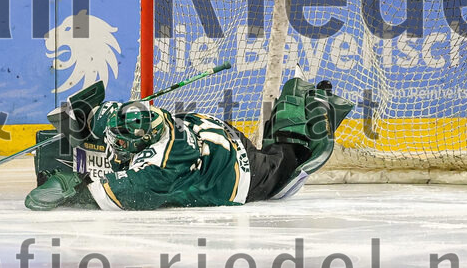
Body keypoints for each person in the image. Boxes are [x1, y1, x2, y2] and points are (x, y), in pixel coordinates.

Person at [26, 77, 355, 210]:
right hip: (217, 138)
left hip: (242, 176)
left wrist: (71, 185)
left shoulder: (154, 171)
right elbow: (112, 114)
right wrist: (86, 118)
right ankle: (297, 93)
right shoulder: (154, 118)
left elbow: (91, 196)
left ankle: (310, 104)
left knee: (285, 162)